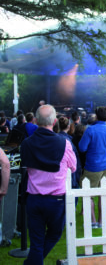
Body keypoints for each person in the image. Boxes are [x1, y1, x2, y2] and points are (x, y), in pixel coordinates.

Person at [21, 105, 76, 265]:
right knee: (53, 235)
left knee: (37, 243)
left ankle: (31, 263)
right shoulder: (64, 143)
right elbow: (73, 167)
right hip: (55, 200)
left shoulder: (27, 143)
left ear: (36, 121)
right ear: (54, 121)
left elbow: (24, 165)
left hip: (34, 199)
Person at [79, 106, 106, 228]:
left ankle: (93, 221)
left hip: (93, 166)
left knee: (88, 194)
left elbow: (82, 148)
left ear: (96, 116)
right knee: (103, 194)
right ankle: (101, 222)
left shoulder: (90, 130)